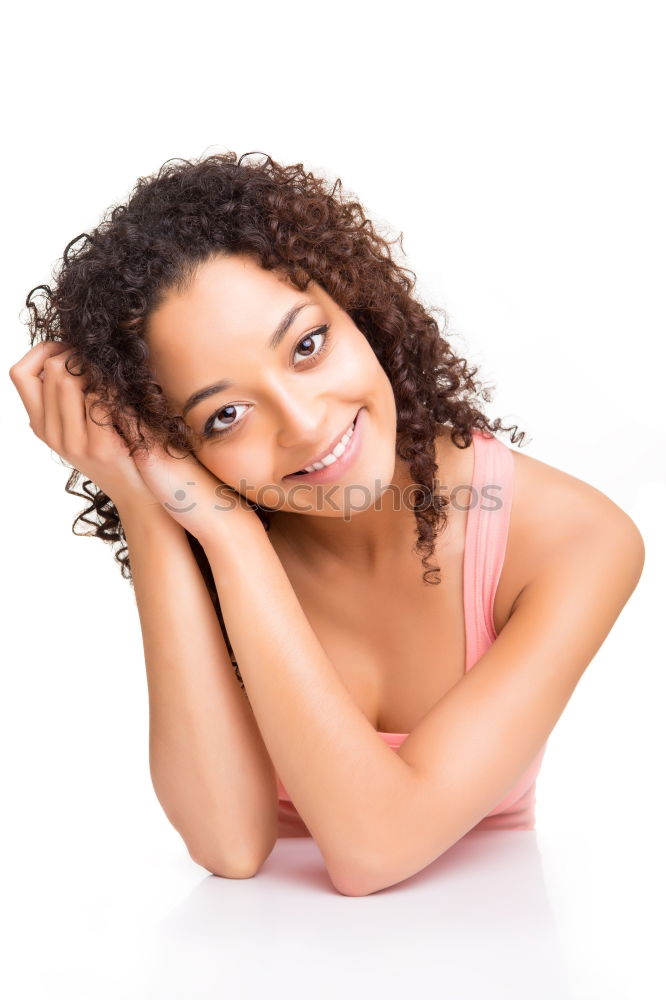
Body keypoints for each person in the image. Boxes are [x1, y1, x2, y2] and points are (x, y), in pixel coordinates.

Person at [8, 151, 645, 896]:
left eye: (307, 346)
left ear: (358, 306)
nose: (306, 427)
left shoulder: (575, 541)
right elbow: (230, 844)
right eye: (226, 415)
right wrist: (150, 506)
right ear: (179, 448)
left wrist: (228, 533)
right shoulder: (219, 528)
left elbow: (374, 850)